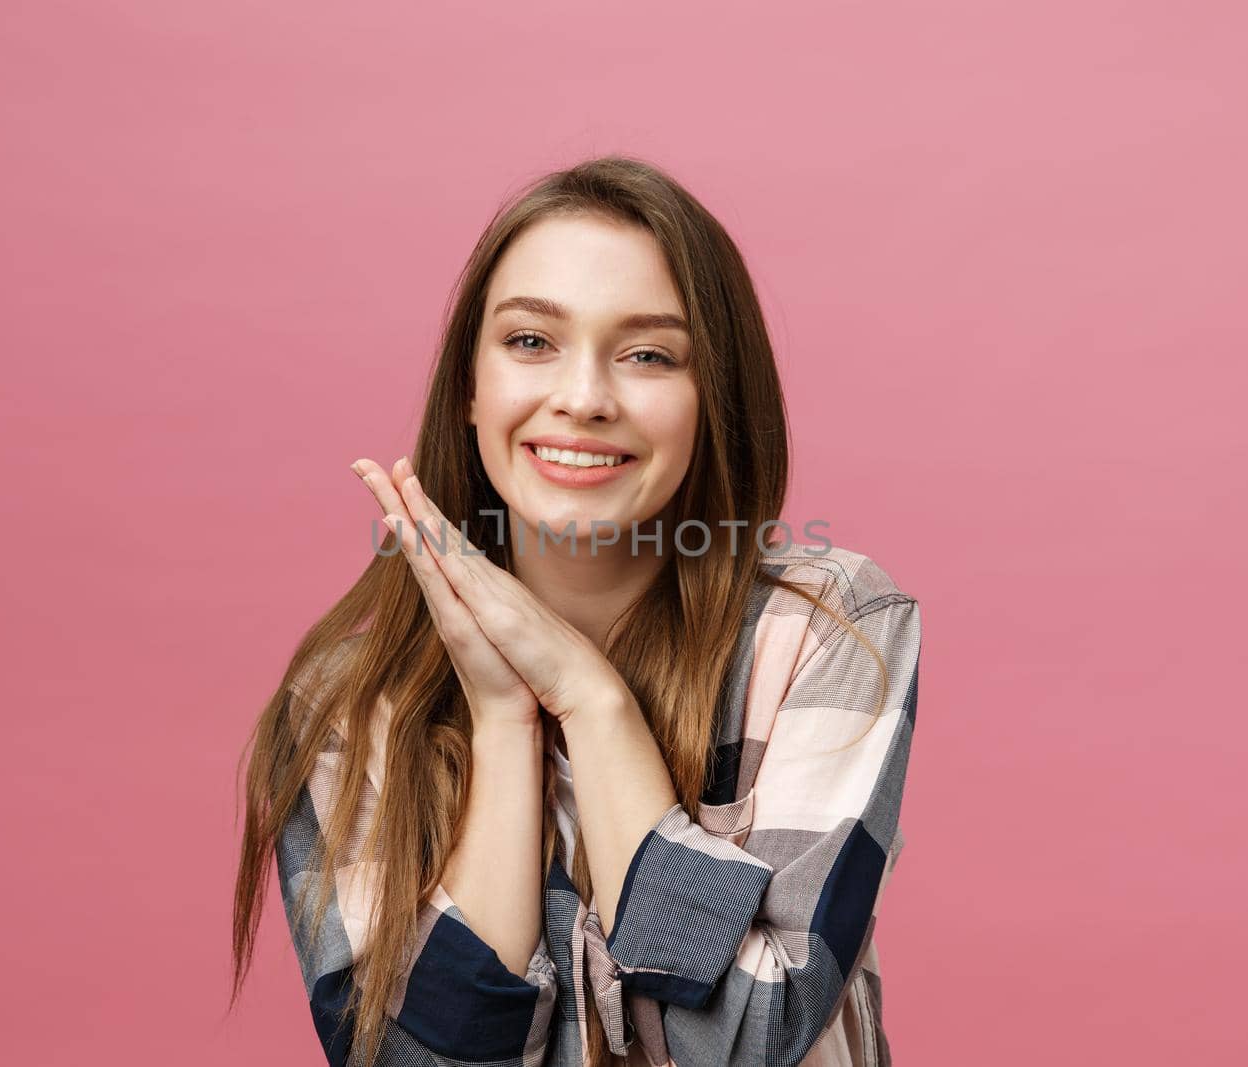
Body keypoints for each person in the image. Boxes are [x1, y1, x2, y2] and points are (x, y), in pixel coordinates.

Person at [230, 155, 923, 1067]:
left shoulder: (824, 627)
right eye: (530, 342)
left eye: (648, 355)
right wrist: (505, 718)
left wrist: (592, 700)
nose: (585, 398)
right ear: (470, 388)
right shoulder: (345, 705)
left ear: (712, 395)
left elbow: (747, 1041)